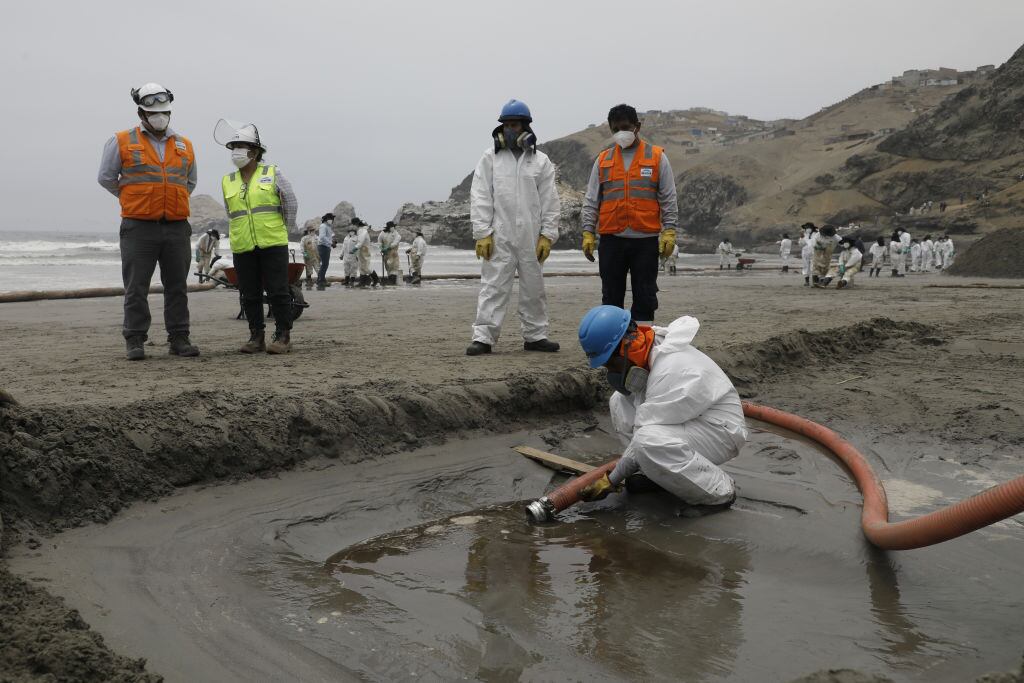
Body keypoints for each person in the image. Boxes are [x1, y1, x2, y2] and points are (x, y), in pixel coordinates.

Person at [576, 305, 747, 509]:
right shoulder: (648, 348)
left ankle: (719, 492)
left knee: (648, 442)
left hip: (721, 432)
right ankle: (657, 474)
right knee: (619, 401)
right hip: (692, 423)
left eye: (611, 364)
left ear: (625, 347)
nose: (611, 372)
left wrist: (612, 480)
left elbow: (643, 439)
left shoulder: (671, 370)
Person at [98, 83, 199, 360]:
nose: (160, 116)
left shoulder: (185, 144)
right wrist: (135, 197)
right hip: (138, 226)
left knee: (177, 286)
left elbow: (189, 182)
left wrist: (169, 200)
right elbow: (106, 178)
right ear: (141, 112)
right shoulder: (121, 140)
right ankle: (135, 340)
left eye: (164, 111)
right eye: (154, 112)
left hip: (177, 226)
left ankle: (179, 338)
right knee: (136, 286)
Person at [466, 99, 561, 355]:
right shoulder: (490, 158)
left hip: (531, 236)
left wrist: (547, 235)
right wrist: (483, 233)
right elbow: (481, 195)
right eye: (506, 124)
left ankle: (535, 336)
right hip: (500, 234)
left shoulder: (540, 161)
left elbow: (550, 200)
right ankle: (483, 337)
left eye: (514, 124)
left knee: (534, 288)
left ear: (525, 127)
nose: (509, 129)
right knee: (493, 286)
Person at [580, 104, 677, 325]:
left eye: (625, 127)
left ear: (637, 126)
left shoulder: (657, 157)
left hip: (645, 242)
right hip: (611, 241)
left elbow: (669, 198)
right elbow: (591, 200)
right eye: (615, 129)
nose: (620, 133)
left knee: (645, 296)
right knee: (611, 297)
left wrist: (669, 231)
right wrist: (587, 232)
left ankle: (641, 345)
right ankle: (614, 348)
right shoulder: (603, 160)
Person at [220, 122, 298, 354]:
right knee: (249, 292)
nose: (236, 151)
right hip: (243, 244)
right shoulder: (228, 180)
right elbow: (230, 212)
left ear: (255, 151)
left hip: (272, 241)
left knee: (278, 290)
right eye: (233, 146)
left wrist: (284, 229)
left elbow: (290, 203)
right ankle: (256, 336)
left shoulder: (273, 172)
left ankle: (283, 336)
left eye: (241, 146)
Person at [378, 221, 402, 285]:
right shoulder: (383, 233)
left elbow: (395, 243)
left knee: (394, 267)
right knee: (388, 267)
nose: (392, 228)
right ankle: (390, 281)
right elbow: (379, 241)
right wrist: (381, 248)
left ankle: (392, 281)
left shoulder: (397, 234)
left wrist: (388, 248)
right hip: (385, 253)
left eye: (393, 226)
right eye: (391, 227)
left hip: (393, 253)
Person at [352, 218, 374, 287]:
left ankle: (376, 279)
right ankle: (362, 282)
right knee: (361, 266)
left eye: (354, 224)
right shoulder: (360, 230)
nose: (354, 226)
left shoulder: (362, 231)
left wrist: (355, 247)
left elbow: (360, 241)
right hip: (361, 250)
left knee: (366, 267)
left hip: (365, 250)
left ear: (357, 224)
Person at [315, 213, 334, 290]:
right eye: (331, 219)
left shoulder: (328, 227)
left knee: (324, 264)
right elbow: (322, 237)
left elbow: (327, 237)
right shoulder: (323, 226)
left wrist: (332, 242)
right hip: (323, 247)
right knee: (325, 264)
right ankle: (321, 280)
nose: (332, 220)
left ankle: (320, 279)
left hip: (326, 246)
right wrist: (330, 243)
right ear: (327, 219)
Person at [300, 225, 320, 290]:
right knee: (308, 269)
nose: (312, 232)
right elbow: (301, 246)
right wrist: (304, 253)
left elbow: (320, 246)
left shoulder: (317, 238)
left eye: (313, 230)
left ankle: (320, 280)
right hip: (308, 256)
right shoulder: (304, 238)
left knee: (318, 268)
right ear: (308, 231)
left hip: (316, 256)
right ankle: (309, 280)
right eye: (311, 231)